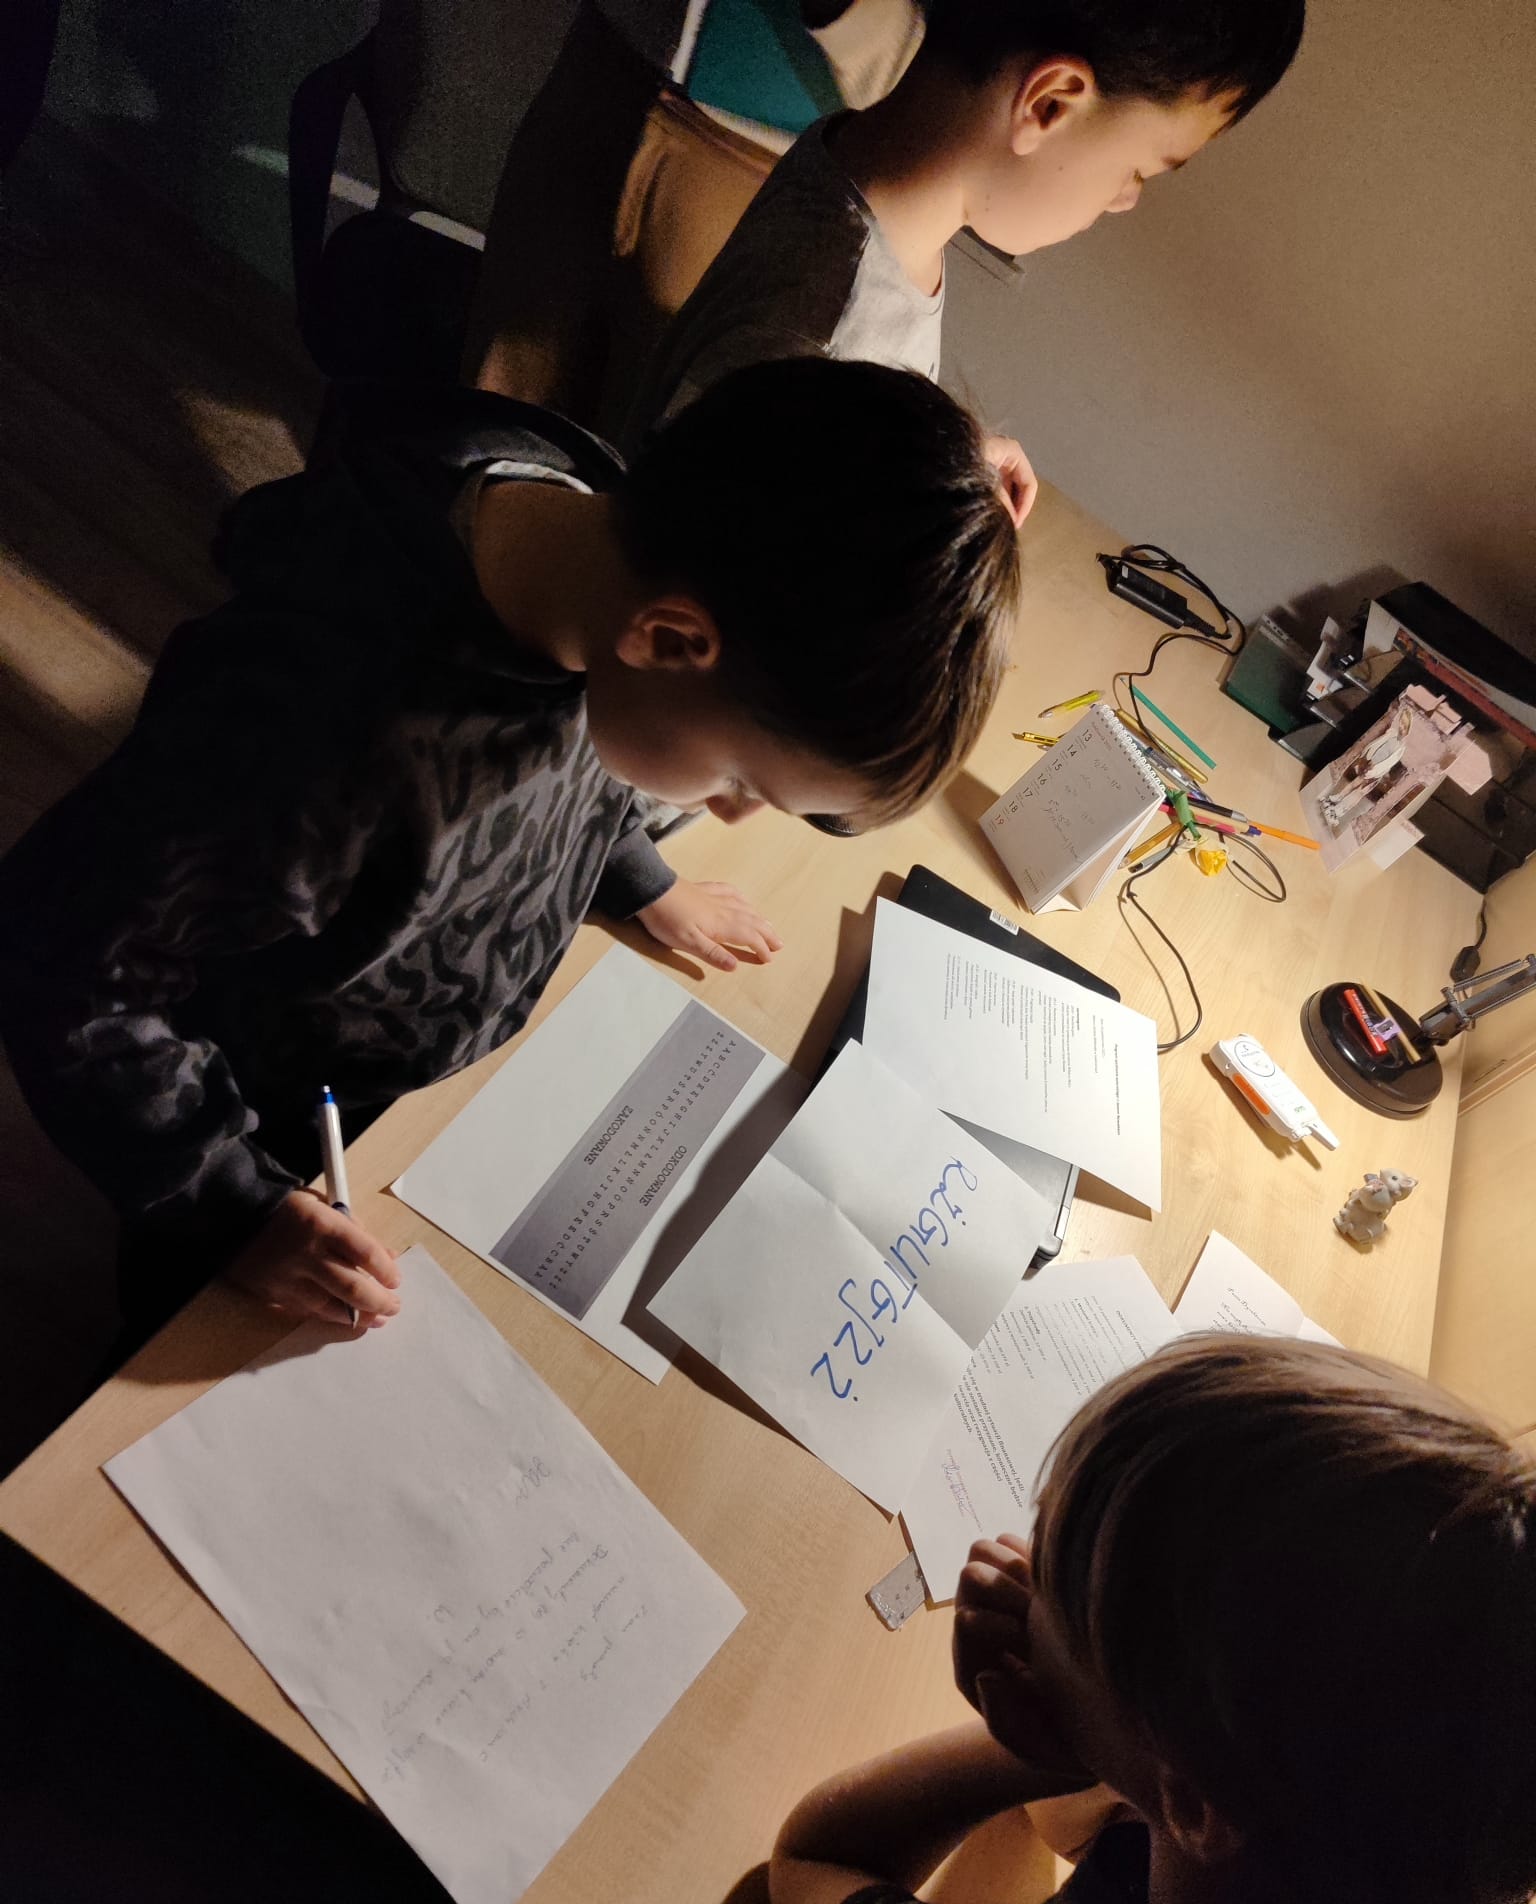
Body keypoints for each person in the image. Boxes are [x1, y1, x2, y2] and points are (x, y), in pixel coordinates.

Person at [0, 358, 1017, 1349]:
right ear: (669, 641)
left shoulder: (605, 542)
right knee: (196, 1335)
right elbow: (63, 964)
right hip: (272, 1109)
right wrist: (228, 1208)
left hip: (413, 1060)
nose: (729, 811)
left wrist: (632, 872)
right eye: (741, 781)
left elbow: (580, 759)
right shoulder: (318, 752)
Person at [771, 1334, 1536, 1904]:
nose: (1022, 1573)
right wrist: (1109, 1722)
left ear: (1195, 1803)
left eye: (1057, 1592)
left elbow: (816, 1858)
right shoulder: (1474, 1879)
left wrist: (1040, 1746)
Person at [626, 0, 1308, 516]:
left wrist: (931, 451)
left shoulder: (858, 166)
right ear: (1049, 104)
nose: (1126, 200)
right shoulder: (816, 345)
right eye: (1140, 172)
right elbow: (693, 584)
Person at [463, 1, 923, 437]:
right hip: (610, 62)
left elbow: (950, 71)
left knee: (649, 459)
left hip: (760, 155)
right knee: (494, 407)